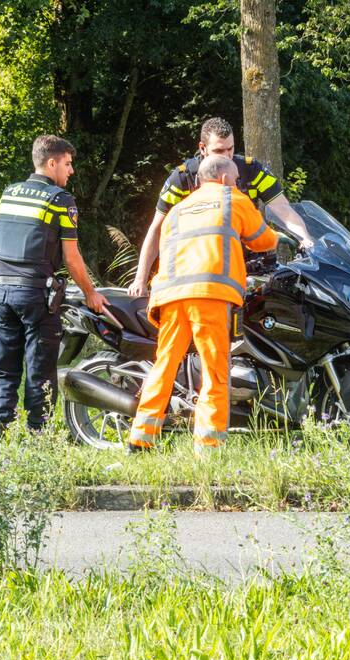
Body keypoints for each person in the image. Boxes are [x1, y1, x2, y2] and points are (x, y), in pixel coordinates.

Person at [128, 154, 278, 454]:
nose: (238, 183)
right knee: (215, 371)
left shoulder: (178, 209)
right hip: (209, 294)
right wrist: (276, 237)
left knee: (164, 365)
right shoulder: (233, 199)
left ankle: (140, 439)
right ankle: (208, 446)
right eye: (236, 178)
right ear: (223, 178)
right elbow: (264, 242)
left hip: (170, 297)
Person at [0, 134, 108, 439]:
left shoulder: (10, 193)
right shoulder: (60, 200)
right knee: (40, 368)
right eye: (67, 164)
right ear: (51, 163)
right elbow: (71, 257)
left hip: (0, 292)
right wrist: (91, 293)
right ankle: (38, 435)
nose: (71, 170)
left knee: (5, 367)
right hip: (36, 295)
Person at [128, 117, 310, 297]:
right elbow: (157, 229)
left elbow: (283, 208)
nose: (226, 156)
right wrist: (140, 280)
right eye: (218, 151)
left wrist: (306, 239)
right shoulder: (182, 178)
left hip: (249, 265)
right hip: (200, 270)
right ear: (202, 148)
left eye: (230, 149)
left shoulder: (250, 169)